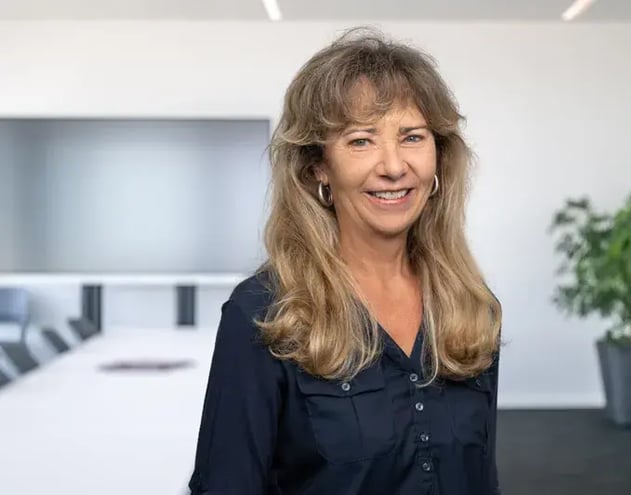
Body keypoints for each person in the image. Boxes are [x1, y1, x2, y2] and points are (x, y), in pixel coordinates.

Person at [188, 27, 503, 495]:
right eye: (361, 141)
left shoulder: (472, 307)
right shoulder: (264, 313)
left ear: (439, 157)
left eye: (412, 137)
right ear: (318, 166)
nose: (393, 166)